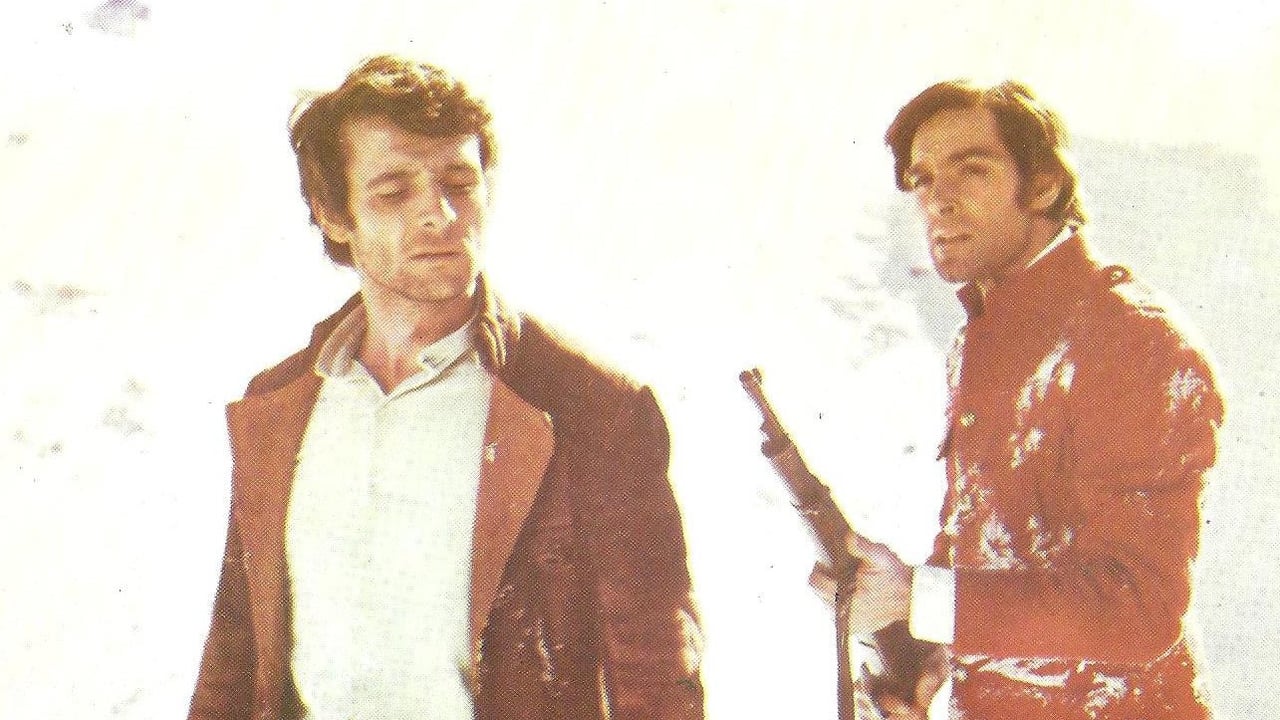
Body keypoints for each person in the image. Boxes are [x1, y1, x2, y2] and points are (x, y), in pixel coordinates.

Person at [186, 55, 703, 720]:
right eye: (393, 192)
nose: (440, 214)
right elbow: (233, 656)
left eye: (460, 182)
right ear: (334, 214)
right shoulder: (279, 405)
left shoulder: (589, 406)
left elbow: (658, 677)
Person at [838, 80, 1225, 719]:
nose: (938, 201)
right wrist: (928, 655)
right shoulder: (982, 338)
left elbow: (1138, 605)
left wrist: (923, 600)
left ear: (1043, 187)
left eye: (971, 171)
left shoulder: (1127, 337)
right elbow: (996, 541)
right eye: (923, 180)